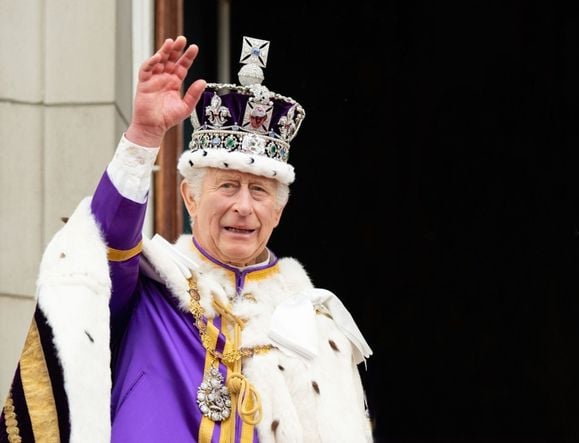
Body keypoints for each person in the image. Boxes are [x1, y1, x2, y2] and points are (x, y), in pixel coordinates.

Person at [1, 35, 373, 442]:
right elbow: (101, 241)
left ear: (278, 211)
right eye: (228, 186)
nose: (244, 207)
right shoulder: (148, 287)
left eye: (260, 191)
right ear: (189, 197)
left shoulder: (315, 329)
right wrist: (142, 137)